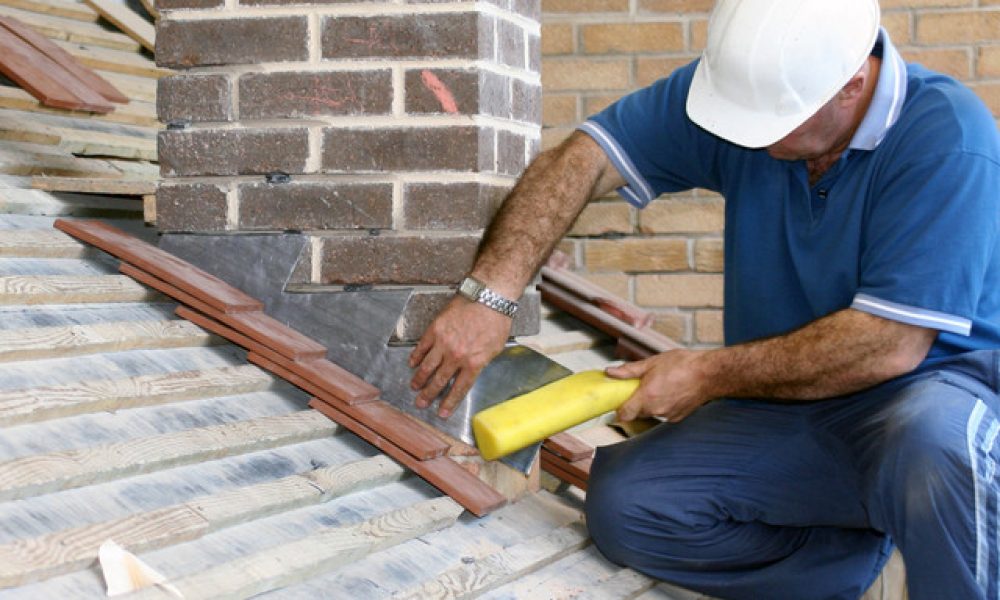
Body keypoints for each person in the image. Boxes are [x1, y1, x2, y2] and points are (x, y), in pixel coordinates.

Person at [409, 0, 1000, 597]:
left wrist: (706, 374)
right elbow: (583, 159)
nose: (752, 141)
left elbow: (888, 345)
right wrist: (490, 294)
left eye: (774, 125)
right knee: (630, 505)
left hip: (929, 392)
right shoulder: (742, 93)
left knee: (935, 450)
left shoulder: (947, 136)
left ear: (851, 84)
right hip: (791, 401)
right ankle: (843, 567)